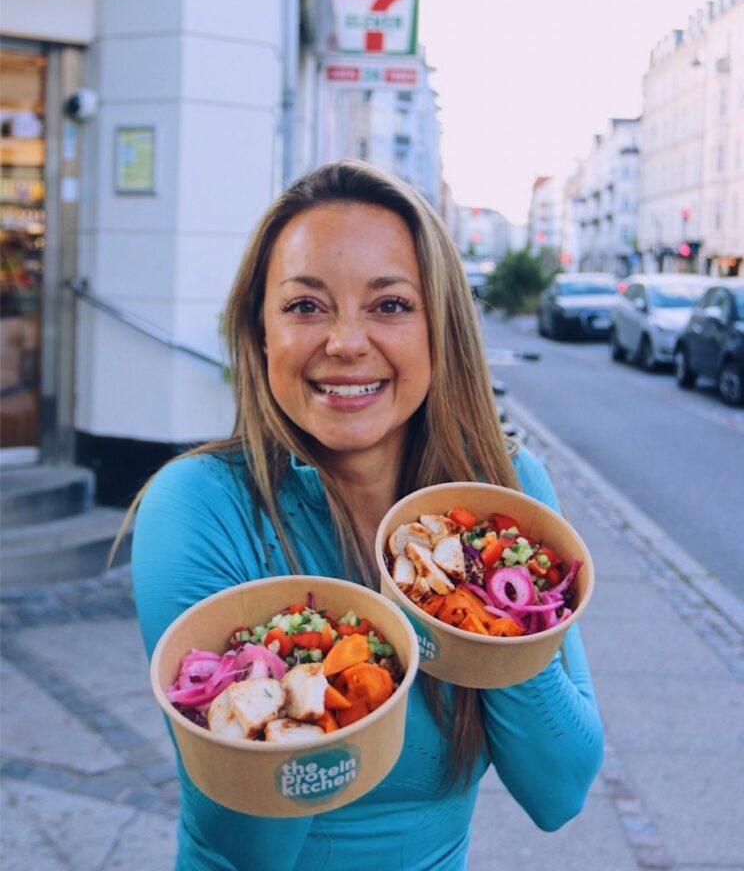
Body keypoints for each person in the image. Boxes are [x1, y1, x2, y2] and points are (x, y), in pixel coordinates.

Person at [130, 160, 604, 871]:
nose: (346, 341)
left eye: (389, 305)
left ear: (439, 330)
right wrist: (298, 679)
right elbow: (246, 849)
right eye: (305, 306)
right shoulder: (197, 505)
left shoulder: (508, 495)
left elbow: (558, 792)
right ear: (261, 333)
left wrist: (494, 612)